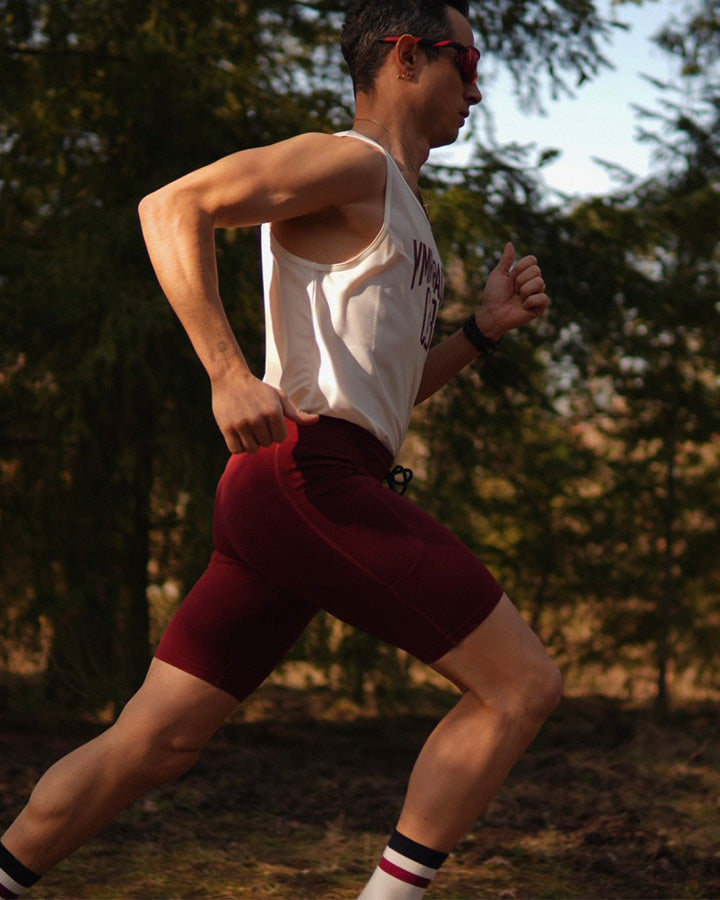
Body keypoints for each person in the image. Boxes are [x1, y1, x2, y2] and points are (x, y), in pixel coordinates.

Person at [0, 1, 562, 897]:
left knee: (156, 742)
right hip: (310, 478)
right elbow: (171, 206)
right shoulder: (352, 161)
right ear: (409, 53)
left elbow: (387, 394)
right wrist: (226, 371)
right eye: (468, 61)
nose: (478, 88)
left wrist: (483, 330)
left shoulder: (404, 209)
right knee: (520, 686)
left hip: (298, 488)